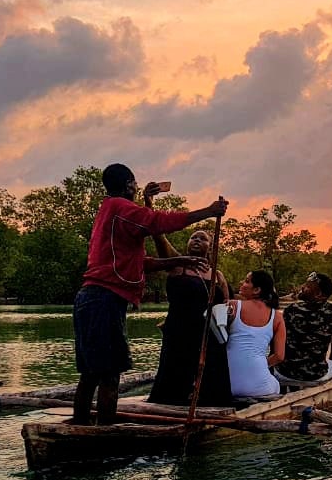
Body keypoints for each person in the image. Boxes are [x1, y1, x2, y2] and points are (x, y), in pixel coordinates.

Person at [72, 164, 227, 425]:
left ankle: (82, 427)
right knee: (108, 374)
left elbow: (143, 262)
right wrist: (208, 212)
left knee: (92, 373)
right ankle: (105, 437)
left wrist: (183, 260)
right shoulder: (120, 208)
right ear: (130, 184)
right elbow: (156, 223)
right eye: (135, 184)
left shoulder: (111, 211)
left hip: (95, 298)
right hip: (103, 299)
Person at [146, 205, 232, 407]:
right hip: (180, 330)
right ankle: (169, 406)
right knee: (175, 373)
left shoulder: (216, 275)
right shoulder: (177, 265)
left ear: (210, 247)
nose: (196, 240)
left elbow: (226, 304)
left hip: (207, 333)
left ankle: (208, 405)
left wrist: (227, 312)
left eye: (202, 239)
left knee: (211, 376)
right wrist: (149, 204)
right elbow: (159, 236)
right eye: (193, 237)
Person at [226, 270, 285, 398]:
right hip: (260, 388)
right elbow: (279, 356)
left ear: (257, 290)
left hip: (226, 386)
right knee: (275, 384)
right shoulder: (277, 316)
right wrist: (260, 365)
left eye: (247, 281)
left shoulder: (233, 306)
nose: (242, 283)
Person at [276, 272, 332, 384]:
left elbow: (276, 341)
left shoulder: (291, 310)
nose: (302, 287)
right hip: (316, 375)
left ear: (319, 294)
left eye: (307, 287)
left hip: (284, 373)